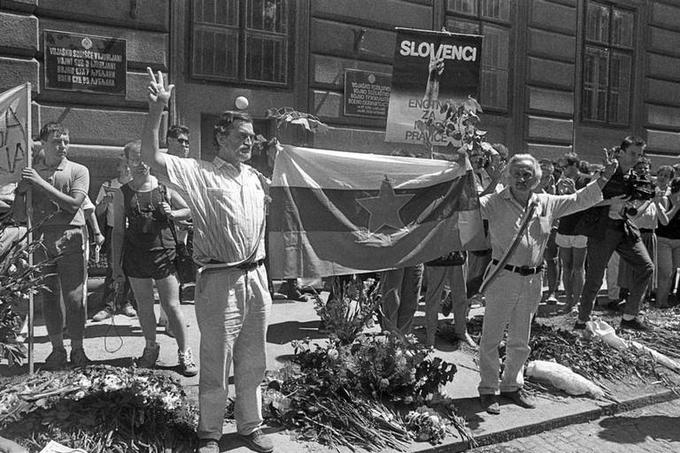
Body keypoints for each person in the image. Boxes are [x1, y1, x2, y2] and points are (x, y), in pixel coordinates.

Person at [142, 69, 273, 453]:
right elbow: (151, 158)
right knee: (215, 361)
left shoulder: (253, 177)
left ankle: (250, 426)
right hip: (219, 281)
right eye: (242, 137)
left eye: (252, 138)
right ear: (220, 136)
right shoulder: (198, 173)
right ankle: (210, 434)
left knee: (254, 362)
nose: (249, 143)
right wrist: (156, 111)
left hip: (257, 280)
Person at [477, 152, 615, 415]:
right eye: (516, 172)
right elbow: (467, 204)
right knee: (492, 337)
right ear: (508, 175)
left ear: (536, 178)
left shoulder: (545, 202)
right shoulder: (495, 201)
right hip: (503, 276)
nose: (521, 178)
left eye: (527, 173)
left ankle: (511, 386)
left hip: (532, 279)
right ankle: (487, 389)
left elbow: (579, 200)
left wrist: (604, 177)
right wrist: (489, 179)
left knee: (521, 337)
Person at [110, 140, 197, 377]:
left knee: (171, 305)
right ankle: (150, 348)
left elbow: (190, 208)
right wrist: (115, 266)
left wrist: (174, 212)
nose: (141, 165)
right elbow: (118, 231)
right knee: (144, 307)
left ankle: (184, 352)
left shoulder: (164, 187)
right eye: (135, 159)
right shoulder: (122, 193)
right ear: (127, 161)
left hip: (165, 254)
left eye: (144, 159)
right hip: (136, 256)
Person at [16, 122, 90, 369]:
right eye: (57, 141)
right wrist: (21, 190)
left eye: (66, 141)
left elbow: (73, 204)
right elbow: (18, 215)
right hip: (40, 239)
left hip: (69, 237)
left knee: (74, 298)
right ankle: (57, 349)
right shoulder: (32, 172)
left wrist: (40, 182)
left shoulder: (78, 170)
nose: (63, 146)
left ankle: (77, 349)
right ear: (43, 144)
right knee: (47, 297)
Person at [574, 137, 655, 331]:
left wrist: (634, 203)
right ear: (621, 152)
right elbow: (584, 200)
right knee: (594, 278)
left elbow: (639, 199)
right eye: (632, 153)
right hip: (603, 230)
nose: (636, 158)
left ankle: (629, 316)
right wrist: (610, 201)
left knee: (646, 267)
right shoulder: (605, 173)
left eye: (639, 154)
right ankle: (581, 322)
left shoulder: (633, 177)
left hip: (624, 228)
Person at [92, 152, 137, 321]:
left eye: (129, 165)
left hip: (133, 230)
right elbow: (98, 212)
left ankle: (126, 302)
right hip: (114, 230)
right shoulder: (109, 185)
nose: (126, 169)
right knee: (113, 267)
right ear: (118, 167)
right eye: (123, 165)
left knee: (132, 267)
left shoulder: (137, 185)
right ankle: (108, 305)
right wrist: (105, 202)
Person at [555, 153, 590, 311]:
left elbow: (588, 203)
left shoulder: (586, 180)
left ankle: (577, 302)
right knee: (566, 266)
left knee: (578, 267)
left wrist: (574, 191)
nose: (563, 170)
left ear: (575, 165)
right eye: (561, 168)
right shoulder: (561, 181)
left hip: (581, 228)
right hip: (565, 226)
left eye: (565, 167)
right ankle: (568, 300)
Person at [654, 178, 680, 308]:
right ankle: (659, 302)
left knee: (672, 273)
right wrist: (676, 206)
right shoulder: (666, 199)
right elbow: (665, 220)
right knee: (665, 272)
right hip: (664, 240)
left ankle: (664, 302)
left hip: (678, 242)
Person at [379, 265, 423, 334]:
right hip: (394, 258)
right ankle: (391, 338)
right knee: (392, 300)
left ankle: (402, 339)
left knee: (411, 302)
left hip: (415, 258)